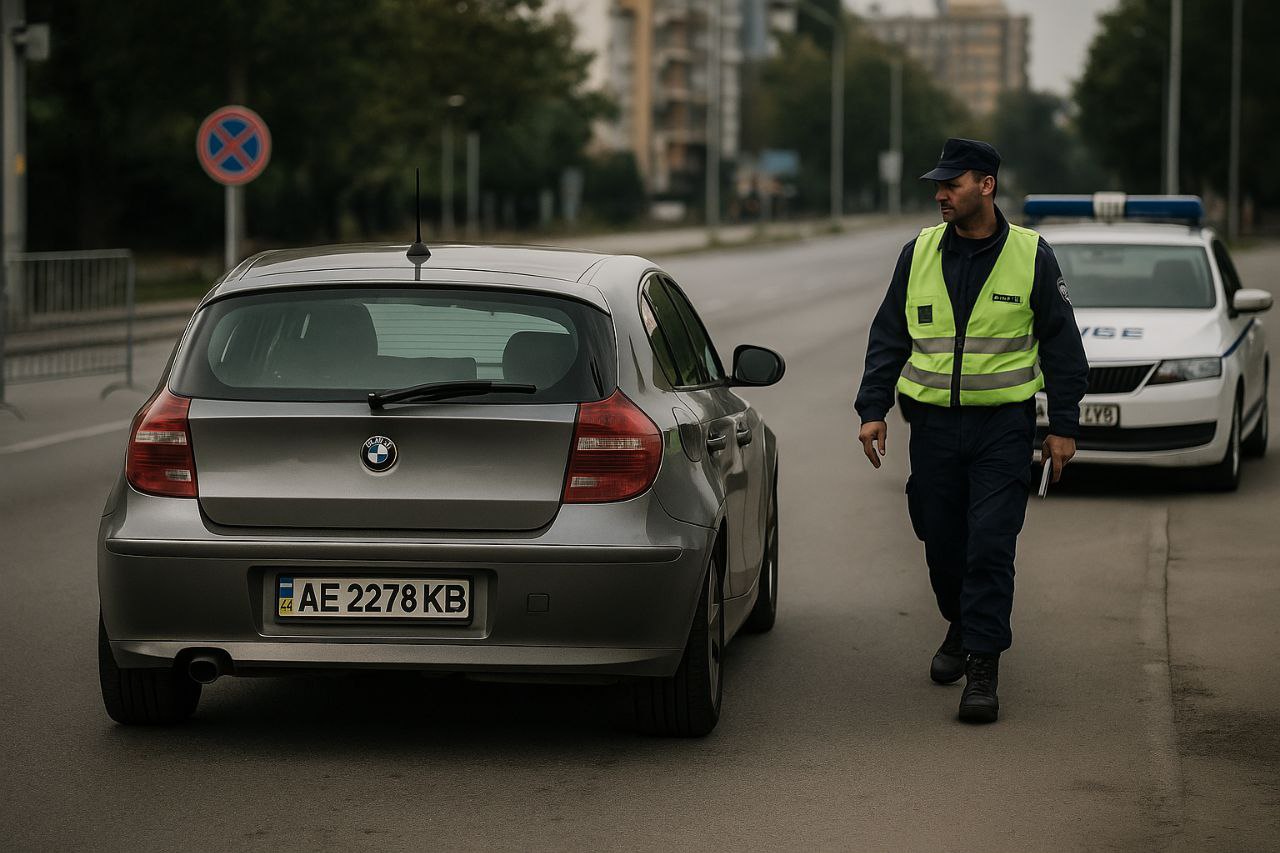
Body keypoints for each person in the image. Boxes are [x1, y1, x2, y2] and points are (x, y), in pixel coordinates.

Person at [854, 138, 1088, 723]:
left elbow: (1063, 347)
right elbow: (889, 335)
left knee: (990, 544)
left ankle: (982, 667)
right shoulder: (920, 253)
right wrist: (872, 408)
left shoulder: (1032, 256)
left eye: (951, 183)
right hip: (932, 427)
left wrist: (1063, 425)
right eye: (938, 185)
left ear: (985, 185)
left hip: (1002, 428)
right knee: (940, 540)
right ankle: (960, 623)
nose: (940, 194)